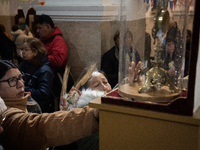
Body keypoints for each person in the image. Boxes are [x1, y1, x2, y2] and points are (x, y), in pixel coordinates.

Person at [0, 60, 99, 150]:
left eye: (20, 78)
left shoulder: (28, 102)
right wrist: (92, 114)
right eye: (12, 80)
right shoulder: (5, 117)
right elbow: (40, 127)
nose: (21, 84)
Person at [35, 14, 74, 111]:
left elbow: (57, 60)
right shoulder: (41, 40)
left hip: (53, 79)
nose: (37, 31)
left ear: (48, 26)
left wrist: (38, 58)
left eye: (39, 28)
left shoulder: (58, 41)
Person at [19, 38, 54, 113]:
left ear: (35, 52)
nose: (23, 52)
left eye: (26, 49)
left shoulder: (44, 70)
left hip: (38, 108)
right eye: (22, 49)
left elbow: (43, 93)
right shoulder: (23, 64)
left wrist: (22, 88)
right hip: (24, 103)